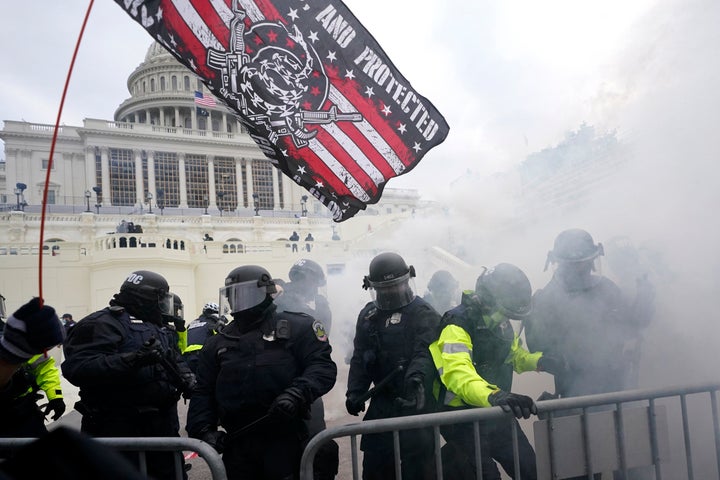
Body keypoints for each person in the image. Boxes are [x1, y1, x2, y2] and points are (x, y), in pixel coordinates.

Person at [186, 265, 337, 480]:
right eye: (233, 296)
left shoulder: (298, 327)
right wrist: (203, 430)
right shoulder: (217, 342)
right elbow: (203, 391)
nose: (239, 303)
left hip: (288, 438)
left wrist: (297, 393)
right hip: (240, 444)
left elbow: (322, 368)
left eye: (245, 295)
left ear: (264, 293)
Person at [429, 263, 564, 480]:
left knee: (531, 471)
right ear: (489, 300)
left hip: (496, 413)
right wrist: (495, 395)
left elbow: (513, 356)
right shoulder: (457, 324)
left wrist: (540, 361)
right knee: (487, 476)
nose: (507, 320)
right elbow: (458, 374)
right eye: (505, 313)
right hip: (462, 419)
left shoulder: (500, 323)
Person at [61, 270, 196, 480]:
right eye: (160, 299)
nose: (163, 306)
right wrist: (133, 359)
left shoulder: (156, 326)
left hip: (162, 431)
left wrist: (188, 378)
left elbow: (173, 358)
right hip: (117, 432)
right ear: (146, 297)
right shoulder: (100, 323)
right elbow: (78, 368)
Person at [345, 252, 440, 480]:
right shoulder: (369, 315)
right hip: (382, 405)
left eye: (395, 286)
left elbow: (425, 351)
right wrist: (355, 391)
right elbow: (360, 357)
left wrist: (416, 380)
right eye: (383, 288)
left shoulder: (424, 313)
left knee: (418, 471)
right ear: (372, 287)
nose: (390, 292)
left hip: (415, 404)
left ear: (408, 280)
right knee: (376, 470)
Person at [525, 229, 640, 400]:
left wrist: (642, 305)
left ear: (593, 261)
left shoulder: (608, 289)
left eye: (584, 263)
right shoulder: (545, 299)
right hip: (573, 391)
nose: (579, 270)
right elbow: (537, 348)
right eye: (573, 265)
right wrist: (559, 360)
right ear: (560, 264)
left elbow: (631, 328)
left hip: (616, 386)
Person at [274, 258, 338, 480]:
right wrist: (323, 314)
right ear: (308, 280)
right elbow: (320, 341)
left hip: (298, 387)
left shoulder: (284, 298)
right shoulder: (289, 303)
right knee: (313, 451)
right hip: (296, 388)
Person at [0, 297, 67, 442]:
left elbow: (45, 367)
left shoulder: (14, 335)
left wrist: (55, 396)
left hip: (24, 411)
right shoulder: (13, 338)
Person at [182, 301, 224, 374]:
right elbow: (219, 340)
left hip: (186, 357)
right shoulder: (213, 324)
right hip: (201, 356)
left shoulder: (192, 323)